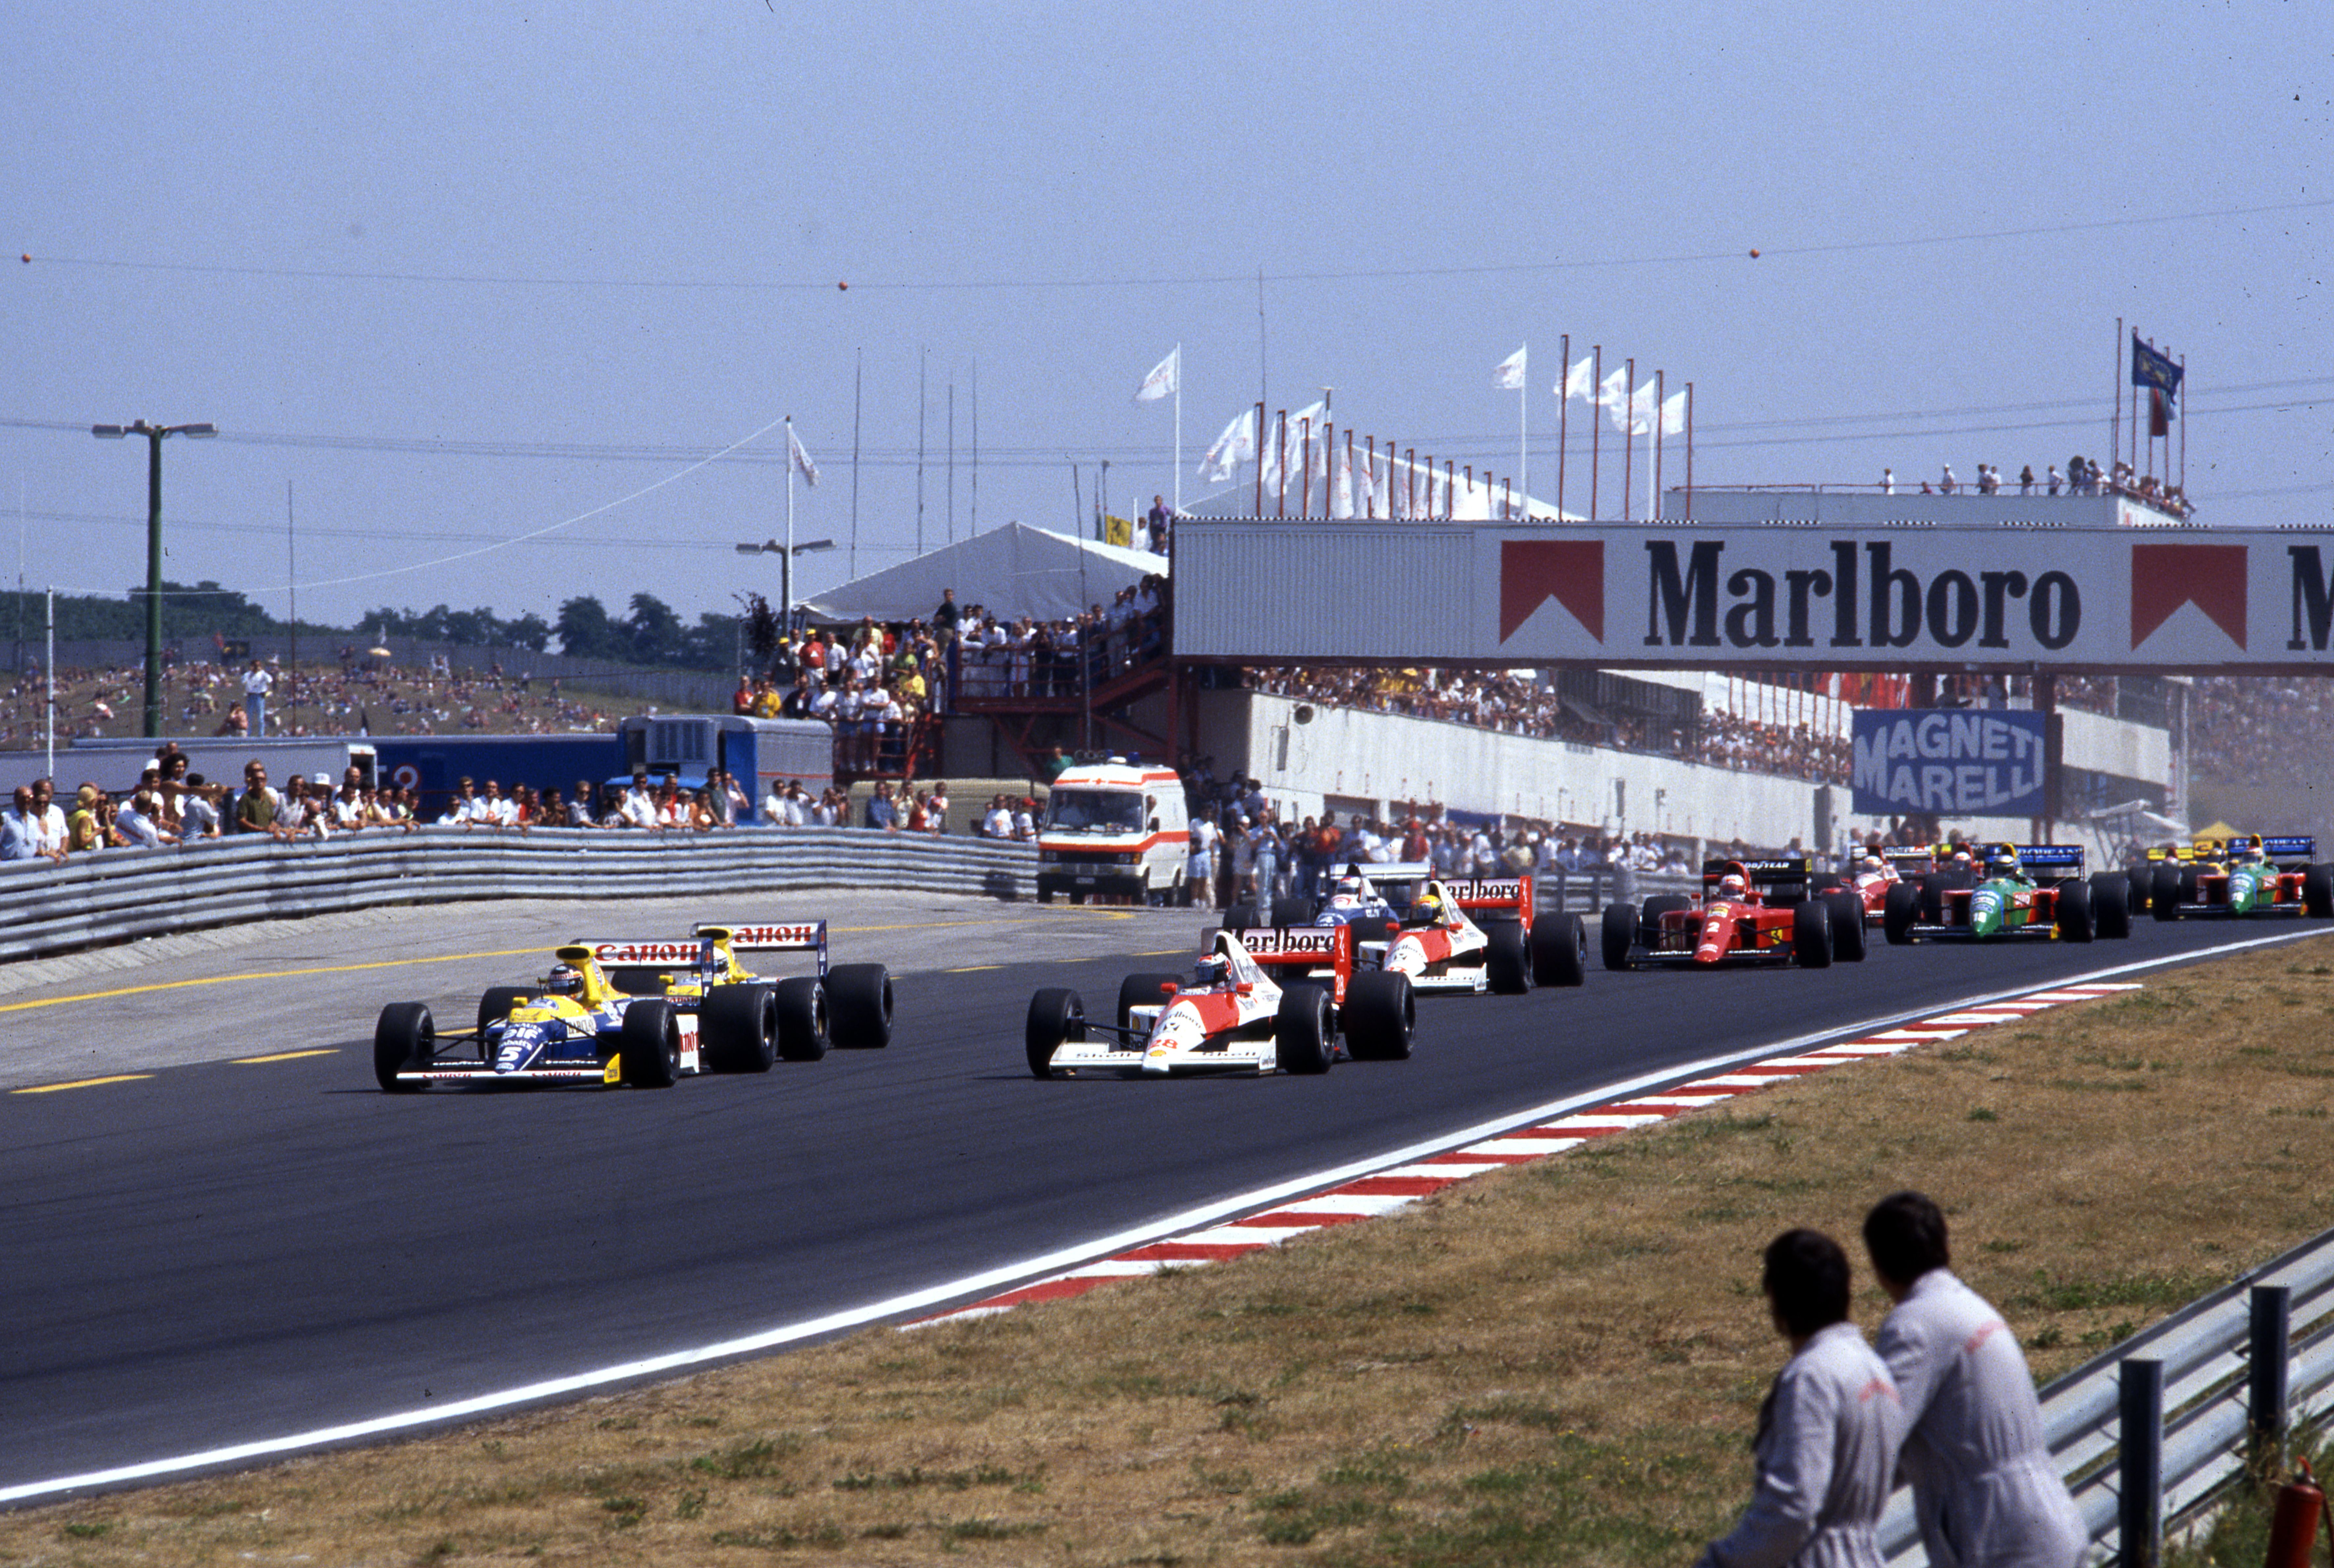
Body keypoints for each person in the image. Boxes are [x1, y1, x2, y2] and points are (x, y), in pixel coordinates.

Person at [1862, 1191, 2087, 1568]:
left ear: (1878, 1266)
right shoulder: (1971, 1308)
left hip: (1998, 1539)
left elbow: (1870, 1440)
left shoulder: (1913, 1326)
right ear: (1944, 1246)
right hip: (2048, 1518)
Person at [1693, 1230, 1904, 1568]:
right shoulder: (1873, 1368)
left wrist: (1722, 1562)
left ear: (1778, 1298)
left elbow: (1794, 1506)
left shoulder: (1811, 1377)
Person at [242, 659, 273, 737]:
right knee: (250, 716)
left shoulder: (263, 674)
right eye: (255, 666)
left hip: (260, 696)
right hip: (251, 696)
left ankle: (261, 734)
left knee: (260, 717)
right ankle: (249, 734)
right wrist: (251, 673)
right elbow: (243, 681)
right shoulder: (248, 675)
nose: (257, 668)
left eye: (258, 666)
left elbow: (270, 680)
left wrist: (263, 672)